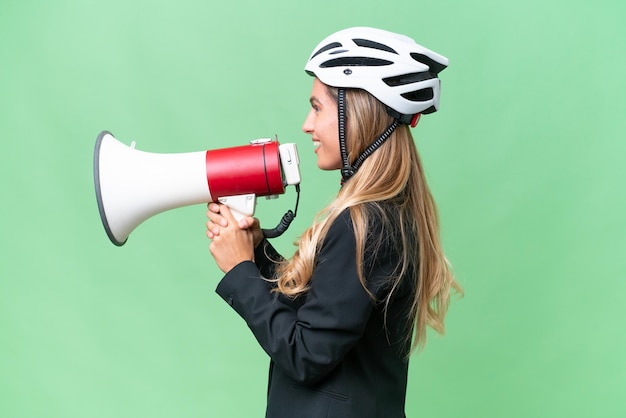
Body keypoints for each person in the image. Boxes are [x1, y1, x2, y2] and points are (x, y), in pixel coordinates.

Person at [205, 26, 462, 418]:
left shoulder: (363, 224)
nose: (307, 124)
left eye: (318, 107)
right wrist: (256, 253)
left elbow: (306, 354)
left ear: (356, 113)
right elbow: (323, 311)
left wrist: (240, 271)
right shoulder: (385, 214)